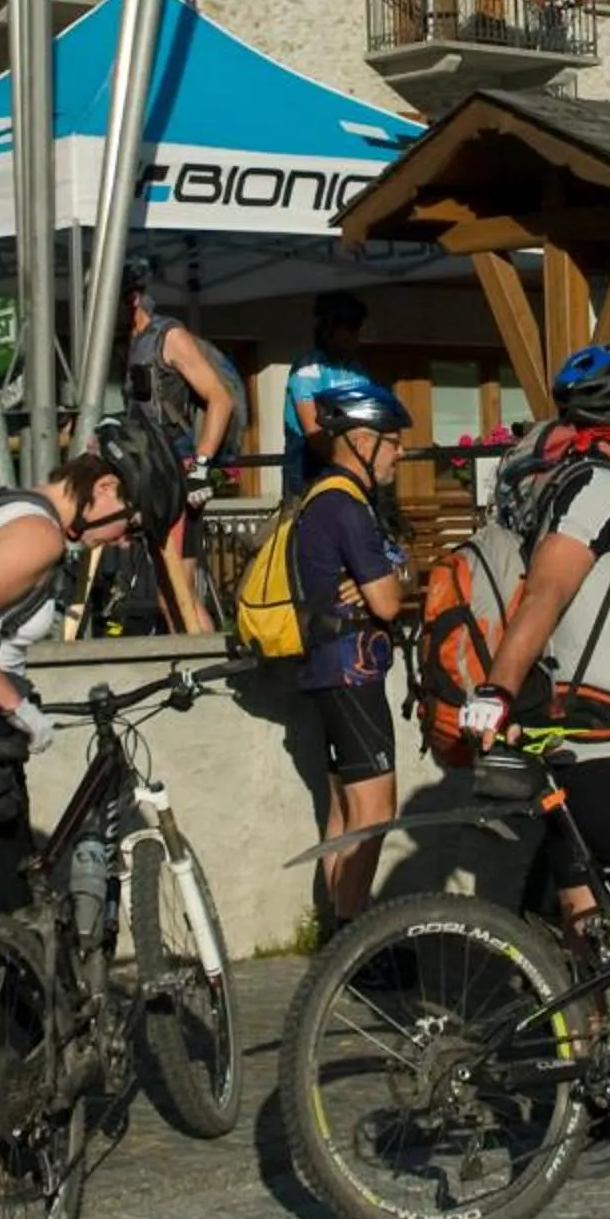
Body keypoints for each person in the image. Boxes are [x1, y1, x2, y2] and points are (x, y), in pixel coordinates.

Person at [462, 342, 610, 1178]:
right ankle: (609, 1063)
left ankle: (594, 1114)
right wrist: (496, 686)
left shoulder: (555, 482)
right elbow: (550, 591)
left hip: (568, 736)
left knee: (589, 924)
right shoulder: (596, 487)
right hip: (599, 742)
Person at [0, 415, 182, 954]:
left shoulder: (11, 511)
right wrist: (14, 704)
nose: (123, 541)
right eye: (131, 524)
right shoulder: (37, 534)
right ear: (105, 487)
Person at [288, 379, 411, 934]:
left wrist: (385, 579)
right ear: (362, 440)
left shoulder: (322, 498)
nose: (399, 453)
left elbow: (391, 579)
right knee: (375, 812)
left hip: (329, 667)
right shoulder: (347, 506)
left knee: (343, 810)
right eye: (392, 441)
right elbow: (388, 600)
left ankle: (338, 937)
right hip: (351, 671)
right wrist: (387, 582)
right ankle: (356, 941)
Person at [121, 258, 238, 635]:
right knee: (173, 594)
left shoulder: (169, 337)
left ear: (132, 298)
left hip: (177, 473)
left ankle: (206, 664)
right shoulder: (133, 342)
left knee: (176, 592)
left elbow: (220, 398)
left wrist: (200, 467)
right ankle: (207, 662)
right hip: (154, 473)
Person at [281, 290, 376, 486]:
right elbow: (314, 432)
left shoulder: (358, 371)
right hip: (307, 469)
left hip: (349, 465)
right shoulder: (308, 368)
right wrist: (350, 464)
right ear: (327, 329)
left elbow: (368, 419)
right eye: (347, 327)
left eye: (357, 327)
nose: (355, 335)